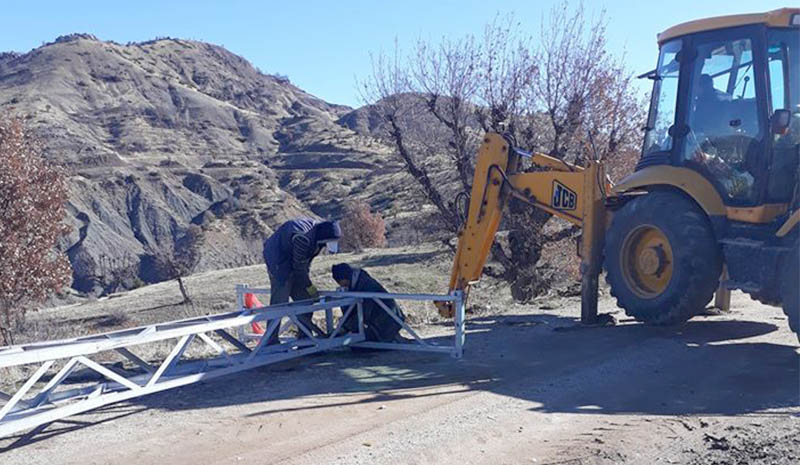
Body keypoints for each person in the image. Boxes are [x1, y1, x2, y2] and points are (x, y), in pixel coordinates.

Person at [262, 218, 341, 343]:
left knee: (305, 299)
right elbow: (299, 268)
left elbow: (305, 262)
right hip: (277, 259)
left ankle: (305, 338)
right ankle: (270, 341)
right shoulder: (302, 238)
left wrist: (307, 289)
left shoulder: (318, 238)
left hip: (292, 257)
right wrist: (309, 286)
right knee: (280, 301)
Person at [331, 263, 406, 344]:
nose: (340, 284)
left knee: (357, 345)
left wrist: (346, 327)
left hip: (387, 322)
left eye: (339, 281)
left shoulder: (366, 286)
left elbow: (364, 313)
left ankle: (391, 340)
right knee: (355, 343)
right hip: (384, 321)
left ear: (344, 277)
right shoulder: (359, 282)